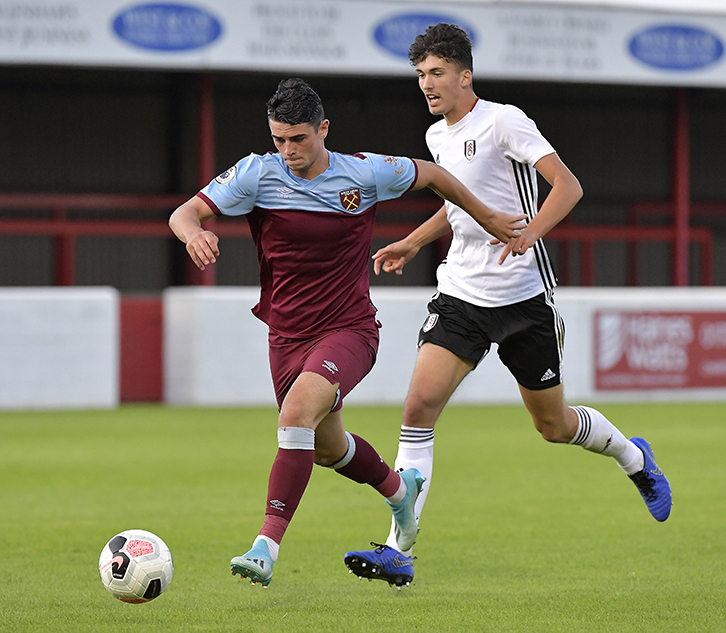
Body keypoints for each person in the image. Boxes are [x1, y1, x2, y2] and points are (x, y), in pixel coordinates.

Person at [344, 23, 672, 588]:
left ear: (464, 75)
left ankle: (633, 458)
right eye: (420, 74)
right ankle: (400, 550)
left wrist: (528, 235)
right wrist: (414, 241)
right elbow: (459, 206)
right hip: (462, 296)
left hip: (524, 299)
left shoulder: (504, 120)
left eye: (437, 73)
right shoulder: (436, 138)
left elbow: (568, 187)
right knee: (418, 406)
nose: (427, 83)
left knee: (552, 425)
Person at [169, 78, 524, 588]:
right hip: (286, 338)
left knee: (295, 416)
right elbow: (185, 212)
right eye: (279, 140)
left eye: (298, 139)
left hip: (349, 329)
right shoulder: (255, 173)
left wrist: (486, 215)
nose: (288, 151)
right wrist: (194, 233)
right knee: (327, 447)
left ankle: (265, 546)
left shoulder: (366, 172)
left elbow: (434, 175)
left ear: (323, 129)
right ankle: (402, 493)